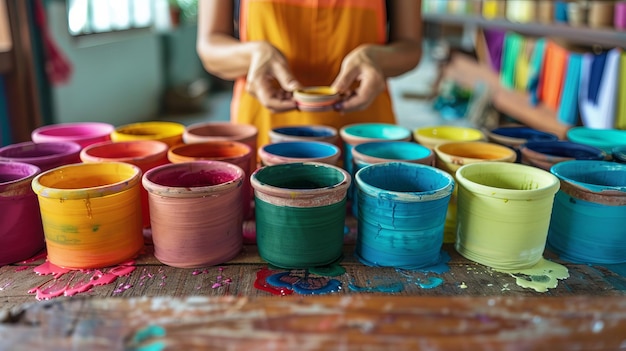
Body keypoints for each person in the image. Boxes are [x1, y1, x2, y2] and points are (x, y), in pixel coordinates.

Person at [197, 0, 423, 147]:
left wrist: (378, 59)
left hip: (365, 137)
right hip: (266, 133)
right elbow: (209, 47)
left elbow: (411, 46)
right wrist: (254, 54)